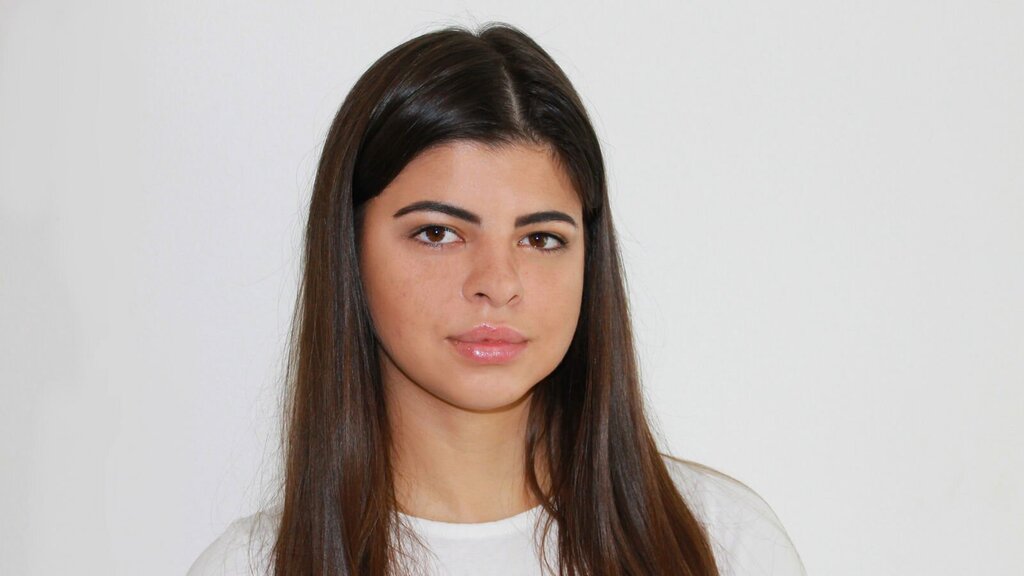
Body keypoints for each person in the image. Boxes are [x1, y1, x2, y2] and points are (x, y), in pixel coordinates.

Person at [187, 22, 806, 576]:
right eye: (438, 233)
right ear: (349, 248)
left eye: (540, 238)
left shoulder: (722, 543)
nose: (498, 282)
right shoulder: (251, 567)